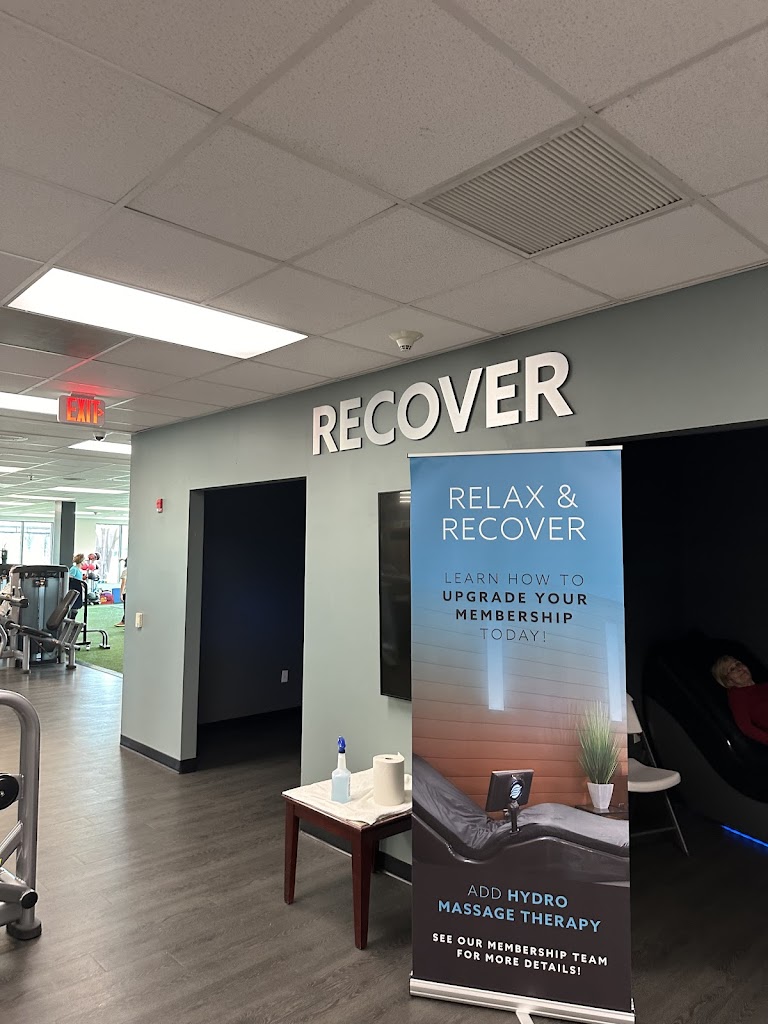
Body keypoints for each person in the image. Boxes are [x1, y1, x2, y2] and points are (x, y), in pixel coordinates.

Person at [711, 655, 768, 745]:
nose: (739, 668)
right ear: (728, 681)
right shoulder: (737, 695)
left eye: (738, 664)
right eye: (732, 669)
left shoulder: (764, 686)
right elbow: (746, 727)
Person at [116, 558, 127, 627]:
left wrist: (121, 594)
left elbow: (123, 583)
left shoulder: (125, 571)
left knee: (126, 608)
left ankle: (124, 621)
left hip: (127, 592)